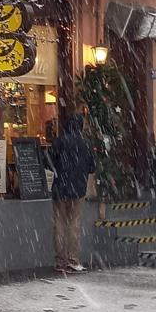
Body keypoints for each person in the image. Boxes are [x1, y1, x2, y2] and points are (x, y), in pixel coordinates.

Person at [50, 114, 95, 273]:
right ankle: (72, 260)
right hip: (78, 188)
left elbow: (48, 161)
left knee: (59, 223)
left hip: (59, 188)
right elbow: (92, 167)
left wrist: (59, 171)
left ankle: (60, 260)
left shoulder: (59, 141)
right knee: (74, 224)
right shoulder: (86, 143)